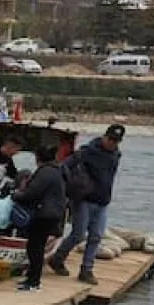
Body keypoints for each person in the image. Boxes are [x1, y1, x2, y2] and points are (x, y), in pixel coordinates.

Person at [49, 123, 124, 286]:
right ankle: (58, 258)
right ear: (104, 136)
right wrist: (73, 186)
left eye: (116, 141)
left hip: (102, 201)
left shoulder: (116, 155)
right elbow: (64, 166)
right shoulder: (87, 151)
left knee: (96, 236)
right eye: (110, 139)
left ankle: (86, 270)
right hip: (83, 200)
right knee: (78, 234)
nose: (112, 143)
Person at [13, 145, 67, 291]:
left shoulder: (45, 172)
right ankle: (32, 278)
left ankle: (33, 281)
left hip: (44, 214)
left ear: (38, 158)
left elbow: (32, 193)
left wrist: (16, 195)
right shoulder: (57, 171)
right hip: (54, 213)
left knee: (34, 247)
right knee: (37, 246)